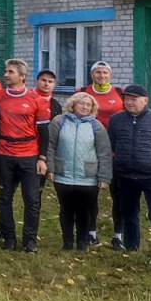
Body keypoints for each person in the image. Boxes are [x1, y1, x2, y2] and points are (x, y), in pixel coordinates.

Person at [107, 85, 151, 252]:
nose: (129, 102)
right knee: (129, 213)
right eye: (126, 99)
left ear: (145, 100)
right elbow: (112, 144)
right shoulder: (116, 120)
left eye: (134, 99)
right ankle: (131, 247)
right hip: (125, 175)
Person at [0, 59, 53, 252]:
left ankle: (30, 240)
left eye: (10, 72)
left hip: (29, 155)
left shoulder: (36, 99)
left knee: (32, 199)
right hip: (3, 154)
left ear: (22, 76)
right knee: (4, 198)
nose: (6, 75)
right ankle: (8, 237)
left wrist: (43, 158)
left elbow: (44, 131)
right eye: (5, 71)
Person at [47, 92, 112, 250]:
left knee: (84, 212)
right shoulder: (59, 121)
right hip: (63, 176)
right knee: (66, 210)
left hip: (88, 177)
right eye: (81, 103)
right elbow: (50, 146)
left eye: (88, 105)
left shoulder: (96, 126)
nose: (85, 107)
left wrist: (104, 177)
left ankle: (82, 242)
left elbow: (104, 153)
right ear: (73, 104)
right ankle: (67, 242)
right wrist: (51, 168)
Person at [83, 60, 126, 247]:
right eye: (98, 73)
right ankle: (91, 233)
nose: (102, 76)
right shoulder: (84, 92)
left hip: (116, 151)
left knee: (119, 195)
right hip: (91, 150)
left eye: (105, 73)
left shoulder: (119, 93)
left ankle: (119, 235)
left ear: (110, 75)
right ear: (92, 75)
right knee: (90, 194)